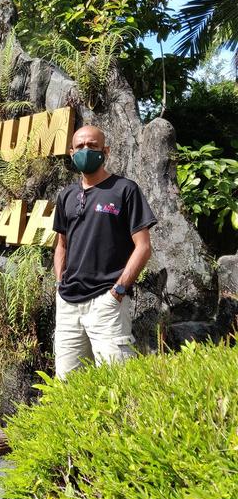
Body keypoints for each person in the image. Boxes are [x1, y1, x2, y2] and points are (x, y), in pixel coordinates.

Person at [52, 125, 156, 379]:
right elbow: (61, 245)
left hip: (107, 302)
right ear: (71, 152)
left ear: (105, 151)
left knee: (117, 380)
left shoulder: (124, 190)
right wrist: (58, 284)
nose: (85, 151)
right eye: (79, 147)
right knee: (67, 383)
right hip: (68, 303)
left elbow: (143, 247)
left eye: (92, 146)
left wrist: (118, 291)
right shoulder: (67, 195)